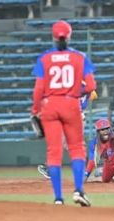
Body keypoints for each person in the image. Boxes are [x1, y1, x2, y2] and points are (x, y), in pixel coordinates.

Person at [31, 20, 96, 207]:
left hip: (50, 105)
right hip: (71, 103)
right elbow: (91, 86)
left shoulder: (44, 58)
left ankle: (58, 198)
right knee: (76, 148)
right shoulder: (80, 57)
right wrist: (76, 92)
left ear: (53, 36)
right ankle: (78, 191)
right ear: (69, 36)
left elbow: (38, 89)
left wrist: (35, 109)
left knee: (54, 151)